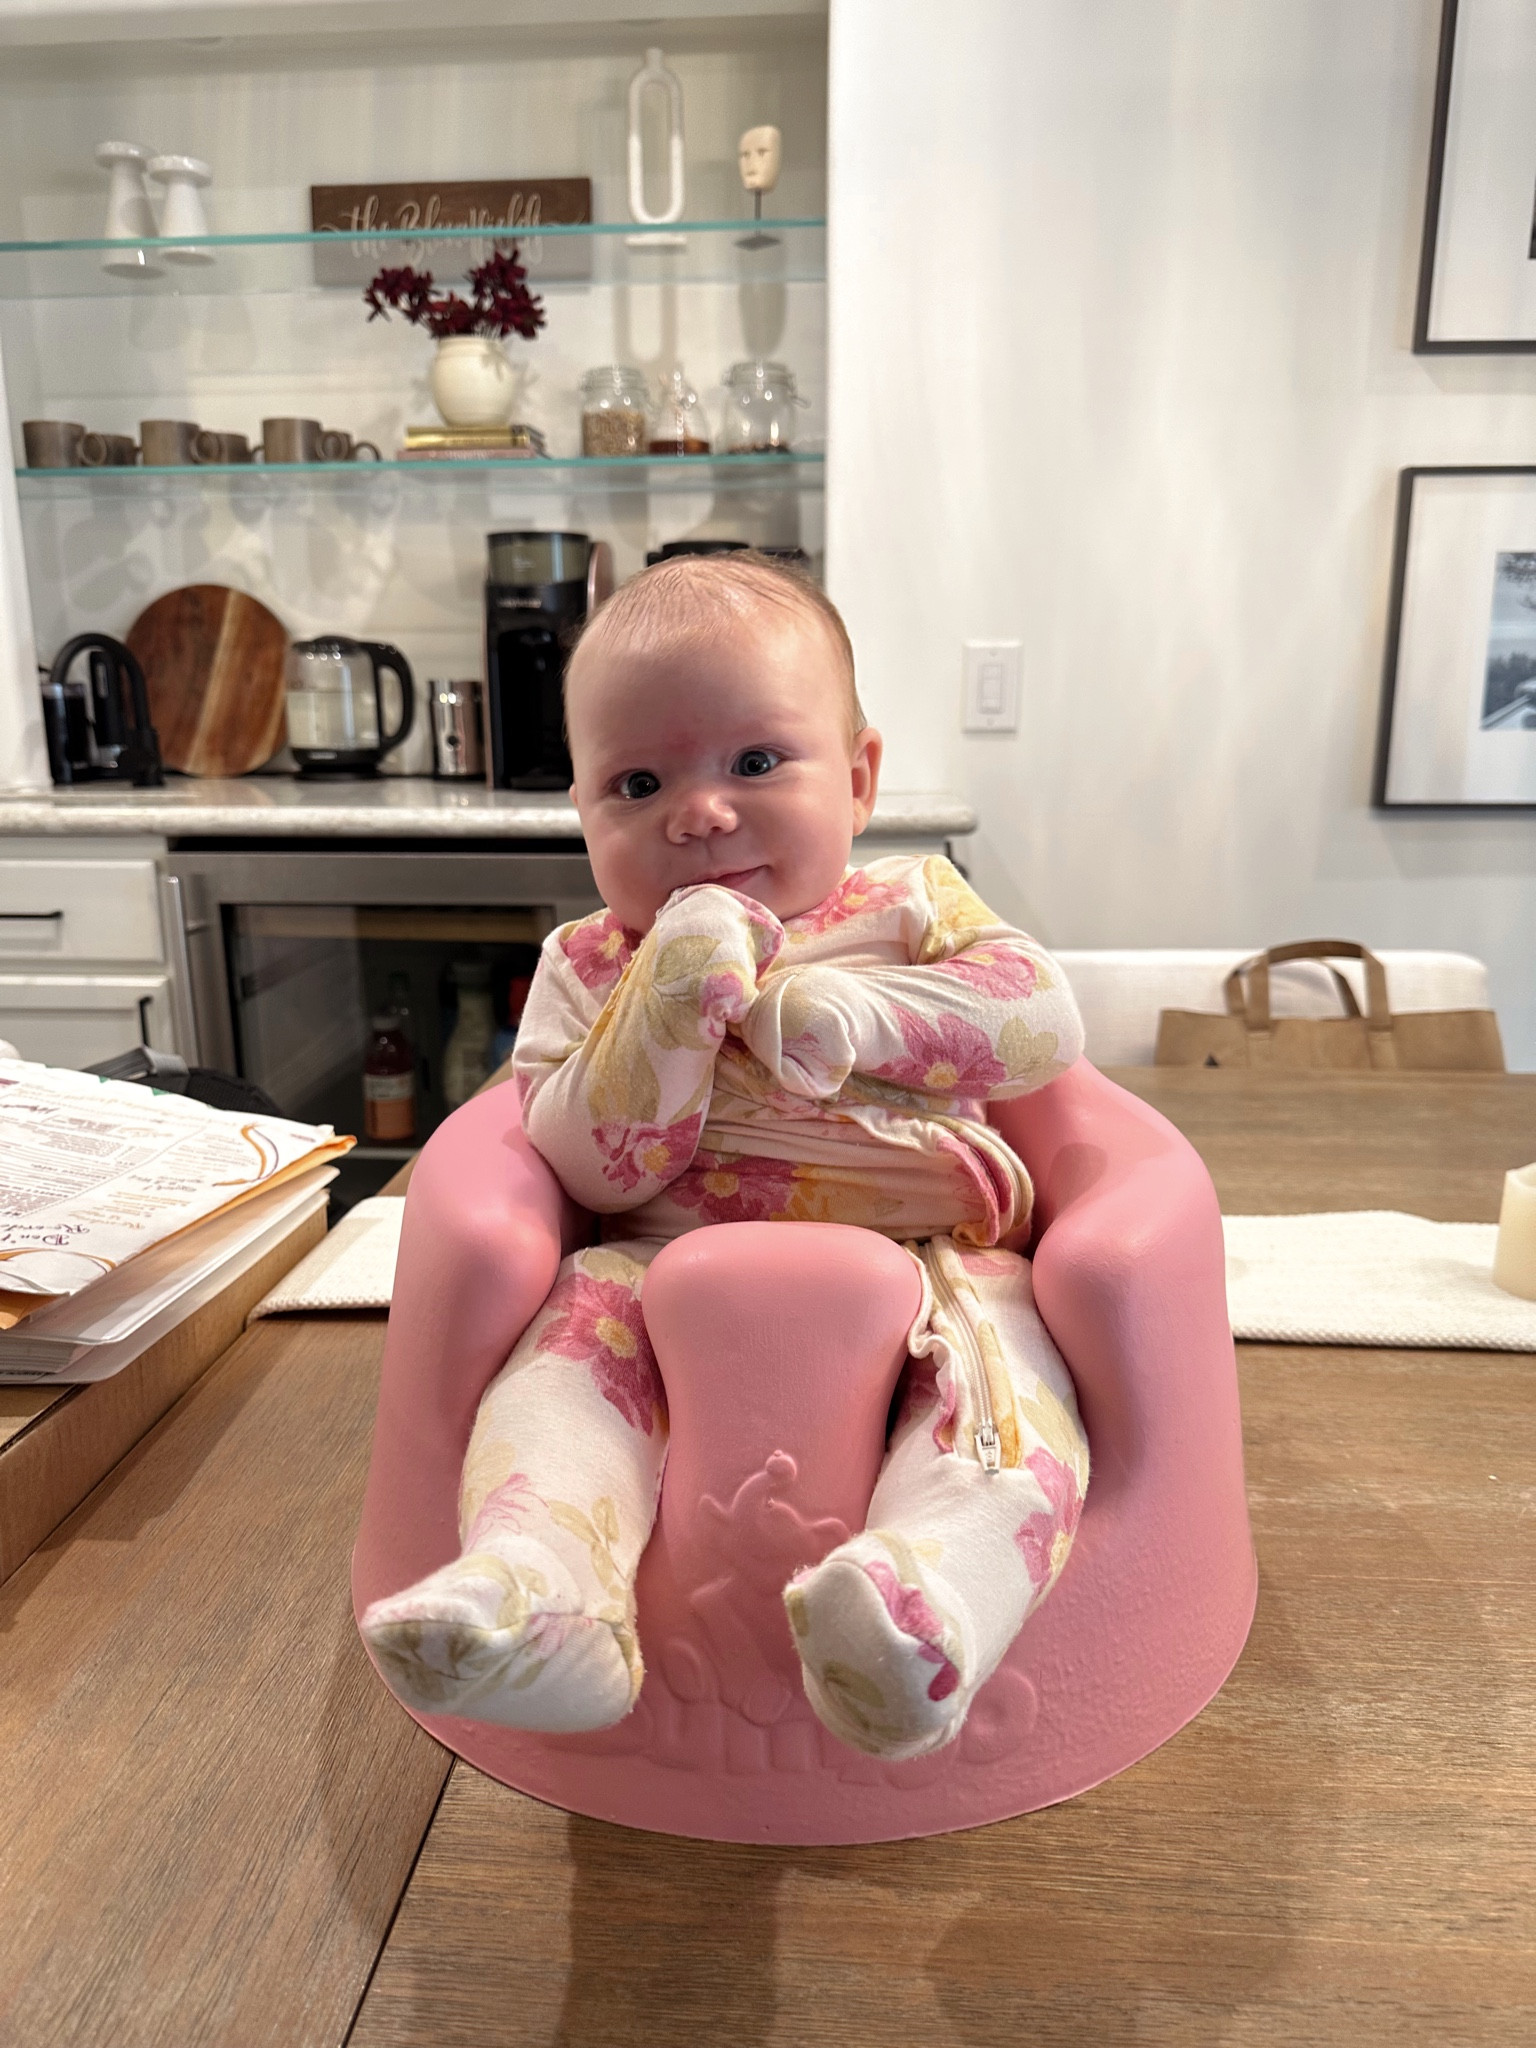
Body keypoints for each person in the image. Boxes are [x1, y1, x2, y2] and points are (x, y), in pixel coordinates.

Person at [361, 553, 1089, 1761]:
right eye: (637, 782)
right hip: (660, 1260)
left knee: (1009, 1407)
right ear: (583, 813)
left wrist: (871, 1016)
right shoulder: (589, 963)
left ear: (858, 778)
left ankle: (922, 1613)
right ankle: (543, 1592)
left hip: (938, 1258)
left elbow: (1040, 1023)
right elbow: (588, 1167)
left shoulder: (911, 903)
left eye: (755, 762)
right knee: (553, 1377)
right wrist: (670, 995)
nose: (696, 812)